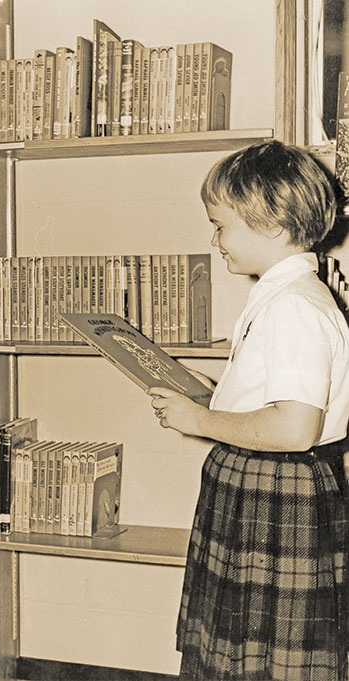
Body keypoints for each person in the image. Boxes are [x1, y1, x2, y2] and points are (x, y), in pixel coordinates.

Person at [148, 140, 349, 680]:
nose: (215, 240)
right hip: (261, 485)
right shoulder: (284, 295)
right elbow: (270, 401)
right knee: (243, 652)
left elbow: (293, 426)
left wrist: (198, 420)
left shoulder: (293, 306)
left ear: (273, 226)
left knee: (264, 659)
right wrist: (207, 394)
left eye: (221, 225)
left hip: (277, 489)